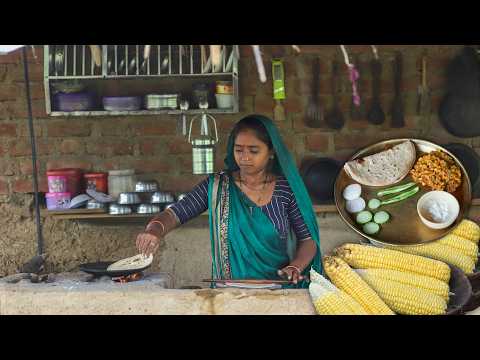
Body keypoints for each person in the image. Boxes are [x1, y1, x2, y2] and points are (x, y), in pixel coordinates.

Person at [136, 115, 322, 288]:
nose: (245, 157)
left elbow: (307, 240)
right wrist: (155, 231)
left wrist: (295, 267)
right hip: (229, 293)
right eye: (239, 150)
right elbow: (175, 213)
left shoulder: (285, 190)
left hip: (277, 289)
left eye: (254, 151)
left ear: (271, 152)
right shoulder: (218, 186)